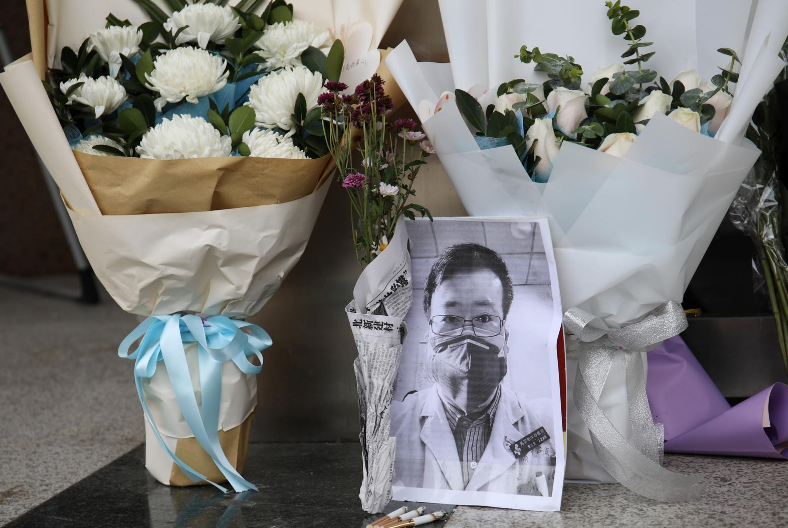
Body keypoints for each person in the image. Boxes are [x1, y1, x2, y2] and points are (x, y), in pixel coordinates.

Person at [392, 243, 555, 496]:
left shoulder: (547, 422)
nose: (467, 335)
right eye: (450, 318)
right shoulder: (394, 424)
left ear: (505, 338)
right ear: (429, 340)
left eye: (484, 318)